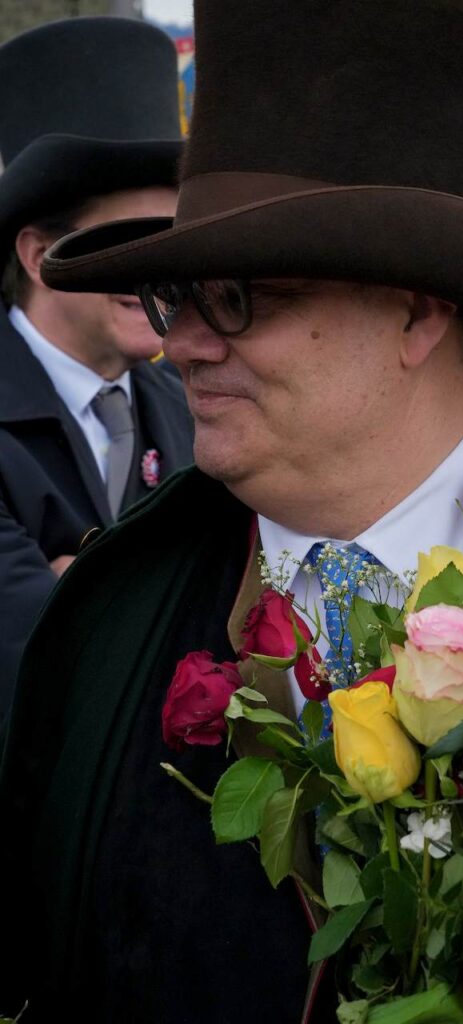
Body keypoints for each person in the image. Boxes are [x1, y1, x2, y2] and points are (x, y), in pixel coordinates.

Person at [2, 1, 463, 1021]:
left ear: (417, 309)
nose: (181, 344)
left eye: (238, 296)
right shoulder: (108, 616)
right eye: (175, 295)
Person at [0, 17, 194, 716]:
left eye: (172, 244)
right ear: (38, 257)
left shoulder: (191, 403)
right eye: (124, 243)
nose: (157, 274)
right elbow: (38, 662)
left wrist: (82, 586)